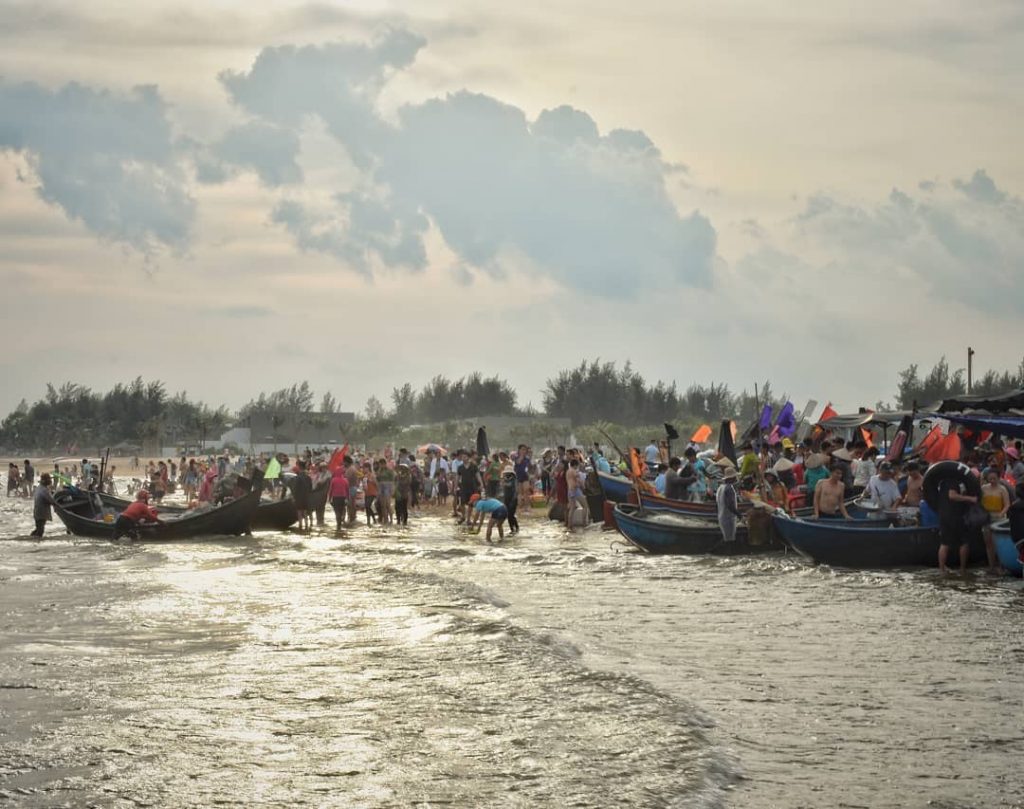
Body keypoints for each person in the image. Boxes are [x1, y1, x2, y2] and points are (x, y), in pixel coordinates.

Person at [937, 474, 979, 574]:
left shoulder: (942, 482)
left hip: (944, 515)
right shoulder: (953, 481)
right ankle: (962, 568)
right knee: (964, 542)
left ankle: (942, 568)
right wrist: (970, 499)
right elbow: (952, 495)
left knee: (944, 542)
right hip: (955, 515)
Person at [980, 468, 1009, 572]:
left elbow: (1007, 505)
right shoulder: (983, 488)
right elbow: (979, 503)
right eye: (990, 479)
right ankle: (991, 566)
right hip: (987, 517)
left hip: (999, 518)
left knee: (998, 543)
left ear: (998, 478)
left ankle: (1001, 565)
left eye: (994, 479)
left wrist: (1001, 513)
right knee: (988, 543)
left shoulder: (1002, 489)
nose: (992, 481)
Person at [715, 467, 742, 543]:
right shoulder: (729, 488)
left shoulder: (720, 487)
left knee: (726, 537)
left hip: (721, 517)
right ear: (732, 478)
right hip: (728, 518)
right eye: (735, 477)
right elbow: (730, 505)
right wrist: (740, 515)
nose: (736, 478)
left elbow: (717, 504)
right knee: (730, 539)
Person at [31, 473, 57, 537]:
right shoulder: (44, 490)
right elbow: (51, 501)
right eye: (48, 479)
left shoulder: (39, 488)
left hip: (37, 512)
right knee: (40, 530)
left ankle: (31, 539)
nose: (50, 481)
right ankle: (35, 541)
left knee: (38, 529)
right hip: (41, 513)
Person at [565, 458, 588, 530]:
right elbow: (579, 480)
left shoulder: (568, 471)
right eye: (577, 466)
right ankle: (584, 523)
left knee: (572, 508)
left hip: (570, 490)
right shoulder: (574, 471)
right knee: (585, 506)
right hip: (575, 490)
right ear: (575, 465)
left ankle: (569, 525)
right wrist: (584, 488)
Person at [292, 460, 313, 530]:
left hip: (299, 497)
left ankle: (300, 525)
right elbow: (311, 488)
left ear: (300, 467)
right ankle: (307, 525)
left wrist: (293, 497)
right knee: (305, 512)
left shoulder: (297, 477)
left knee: (299, 512)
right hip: (307, 497)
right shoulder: (308, 477)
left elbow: (295, 488)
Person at [329, 464, 349, 530]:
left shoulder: (333, 480)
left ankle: (338, 525)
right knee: (341, 510)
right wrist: (347, 499)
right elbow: (347, 490)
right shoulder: (345, 480)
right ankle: (340, 522)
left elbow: (331, 490)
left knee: (336, 512)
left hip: (335, 498)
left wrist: (329, 499)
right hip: (343, 498)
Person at [501, 465, 519, 535]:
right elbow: (503, 490)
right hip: (506, 499)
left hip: (513, 499)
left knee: (511, 514)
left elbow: (515, 491)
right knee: (508, 515)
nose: (507, 474)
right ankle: (512, 528)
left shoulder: (514, 479)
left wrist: (513, 500)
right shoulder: (504, 479)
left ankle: (516, 528)